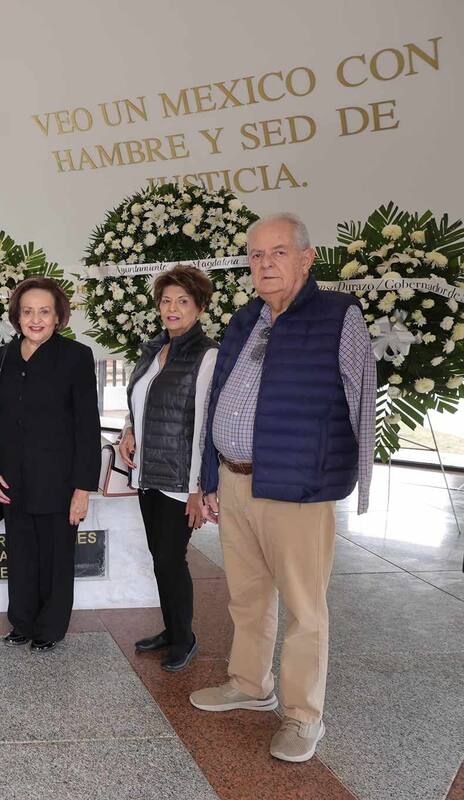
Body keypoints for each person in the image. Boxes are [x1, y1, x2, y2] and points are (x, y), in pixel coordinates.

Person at [190, 213, 376, 764]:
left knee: (304, 608)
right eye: (256, 255)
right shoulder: (247, 317)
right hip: (236, 480)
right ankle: (250, 683)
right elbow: (218, 397)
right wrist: (208, 478)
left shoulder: (337, 316)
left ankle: (302, 716)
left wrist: (357, 485)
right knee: (246, 597)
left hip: (298, 487)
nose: (265, 264)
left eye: (277, 253)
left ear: (305, 257)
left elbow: (361, 398)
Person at [0, 278, 100, 652]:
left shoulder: (76, 357)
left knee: (55, 558)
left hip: (59, 480)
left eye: (44, 312)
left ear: (58, 316)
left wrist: (82, 489)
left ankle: (49, 627)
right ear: (16, 316)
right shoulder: (1, 359)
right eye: (28, 311)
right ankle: (22, 621)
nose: (35, 319)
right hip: (11, 480)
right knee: (21, 555)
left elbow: (87, 426)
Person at [118, 265, 218, 671]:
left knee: (172, 558)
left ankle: (185, 637)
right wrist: (128, 429)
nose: (172, 308)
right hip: (148, 472)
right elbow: (138, 400)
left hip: (179, 478)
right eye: (166, 300)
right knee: (160, 556)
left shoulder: (206, 354)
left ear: (199, 307)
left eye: (182, 302)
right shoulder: (152, 349)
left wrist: (198, 488)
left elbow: (203, 425)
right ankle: (171, 627)